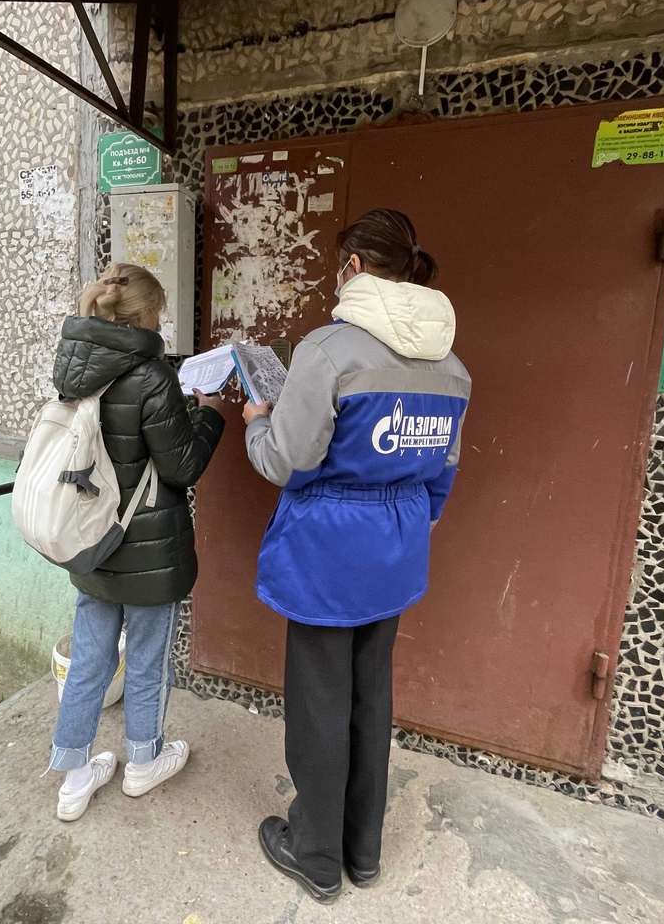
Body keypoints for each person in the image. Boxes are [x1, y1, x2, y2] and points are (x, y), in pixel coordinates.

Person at [243, 209, 470, 903]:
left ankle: (315, 855)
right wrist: (406, 526)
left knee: (319, 703)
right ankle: (362, 851)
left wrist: (258, 423)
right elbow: (443, 473)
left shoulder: (328, 351)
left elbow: (288, 461)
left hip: (327, 553)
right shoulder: (452, 366)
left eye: (340, 263)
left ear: (355, 266)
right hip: (396, 551)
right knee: (372, 696)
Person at [48, 263, 225, 821]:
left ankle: (74, 778)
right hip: (148, 551)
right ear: (146, 314)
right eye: (160, 312)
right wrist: (210, 416)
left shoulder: (73, 369)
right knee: (147, 661)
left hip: (91, 541)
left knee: (90, 661)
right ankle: (144, 762)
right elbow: (182, 467)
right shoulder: (152, 377)